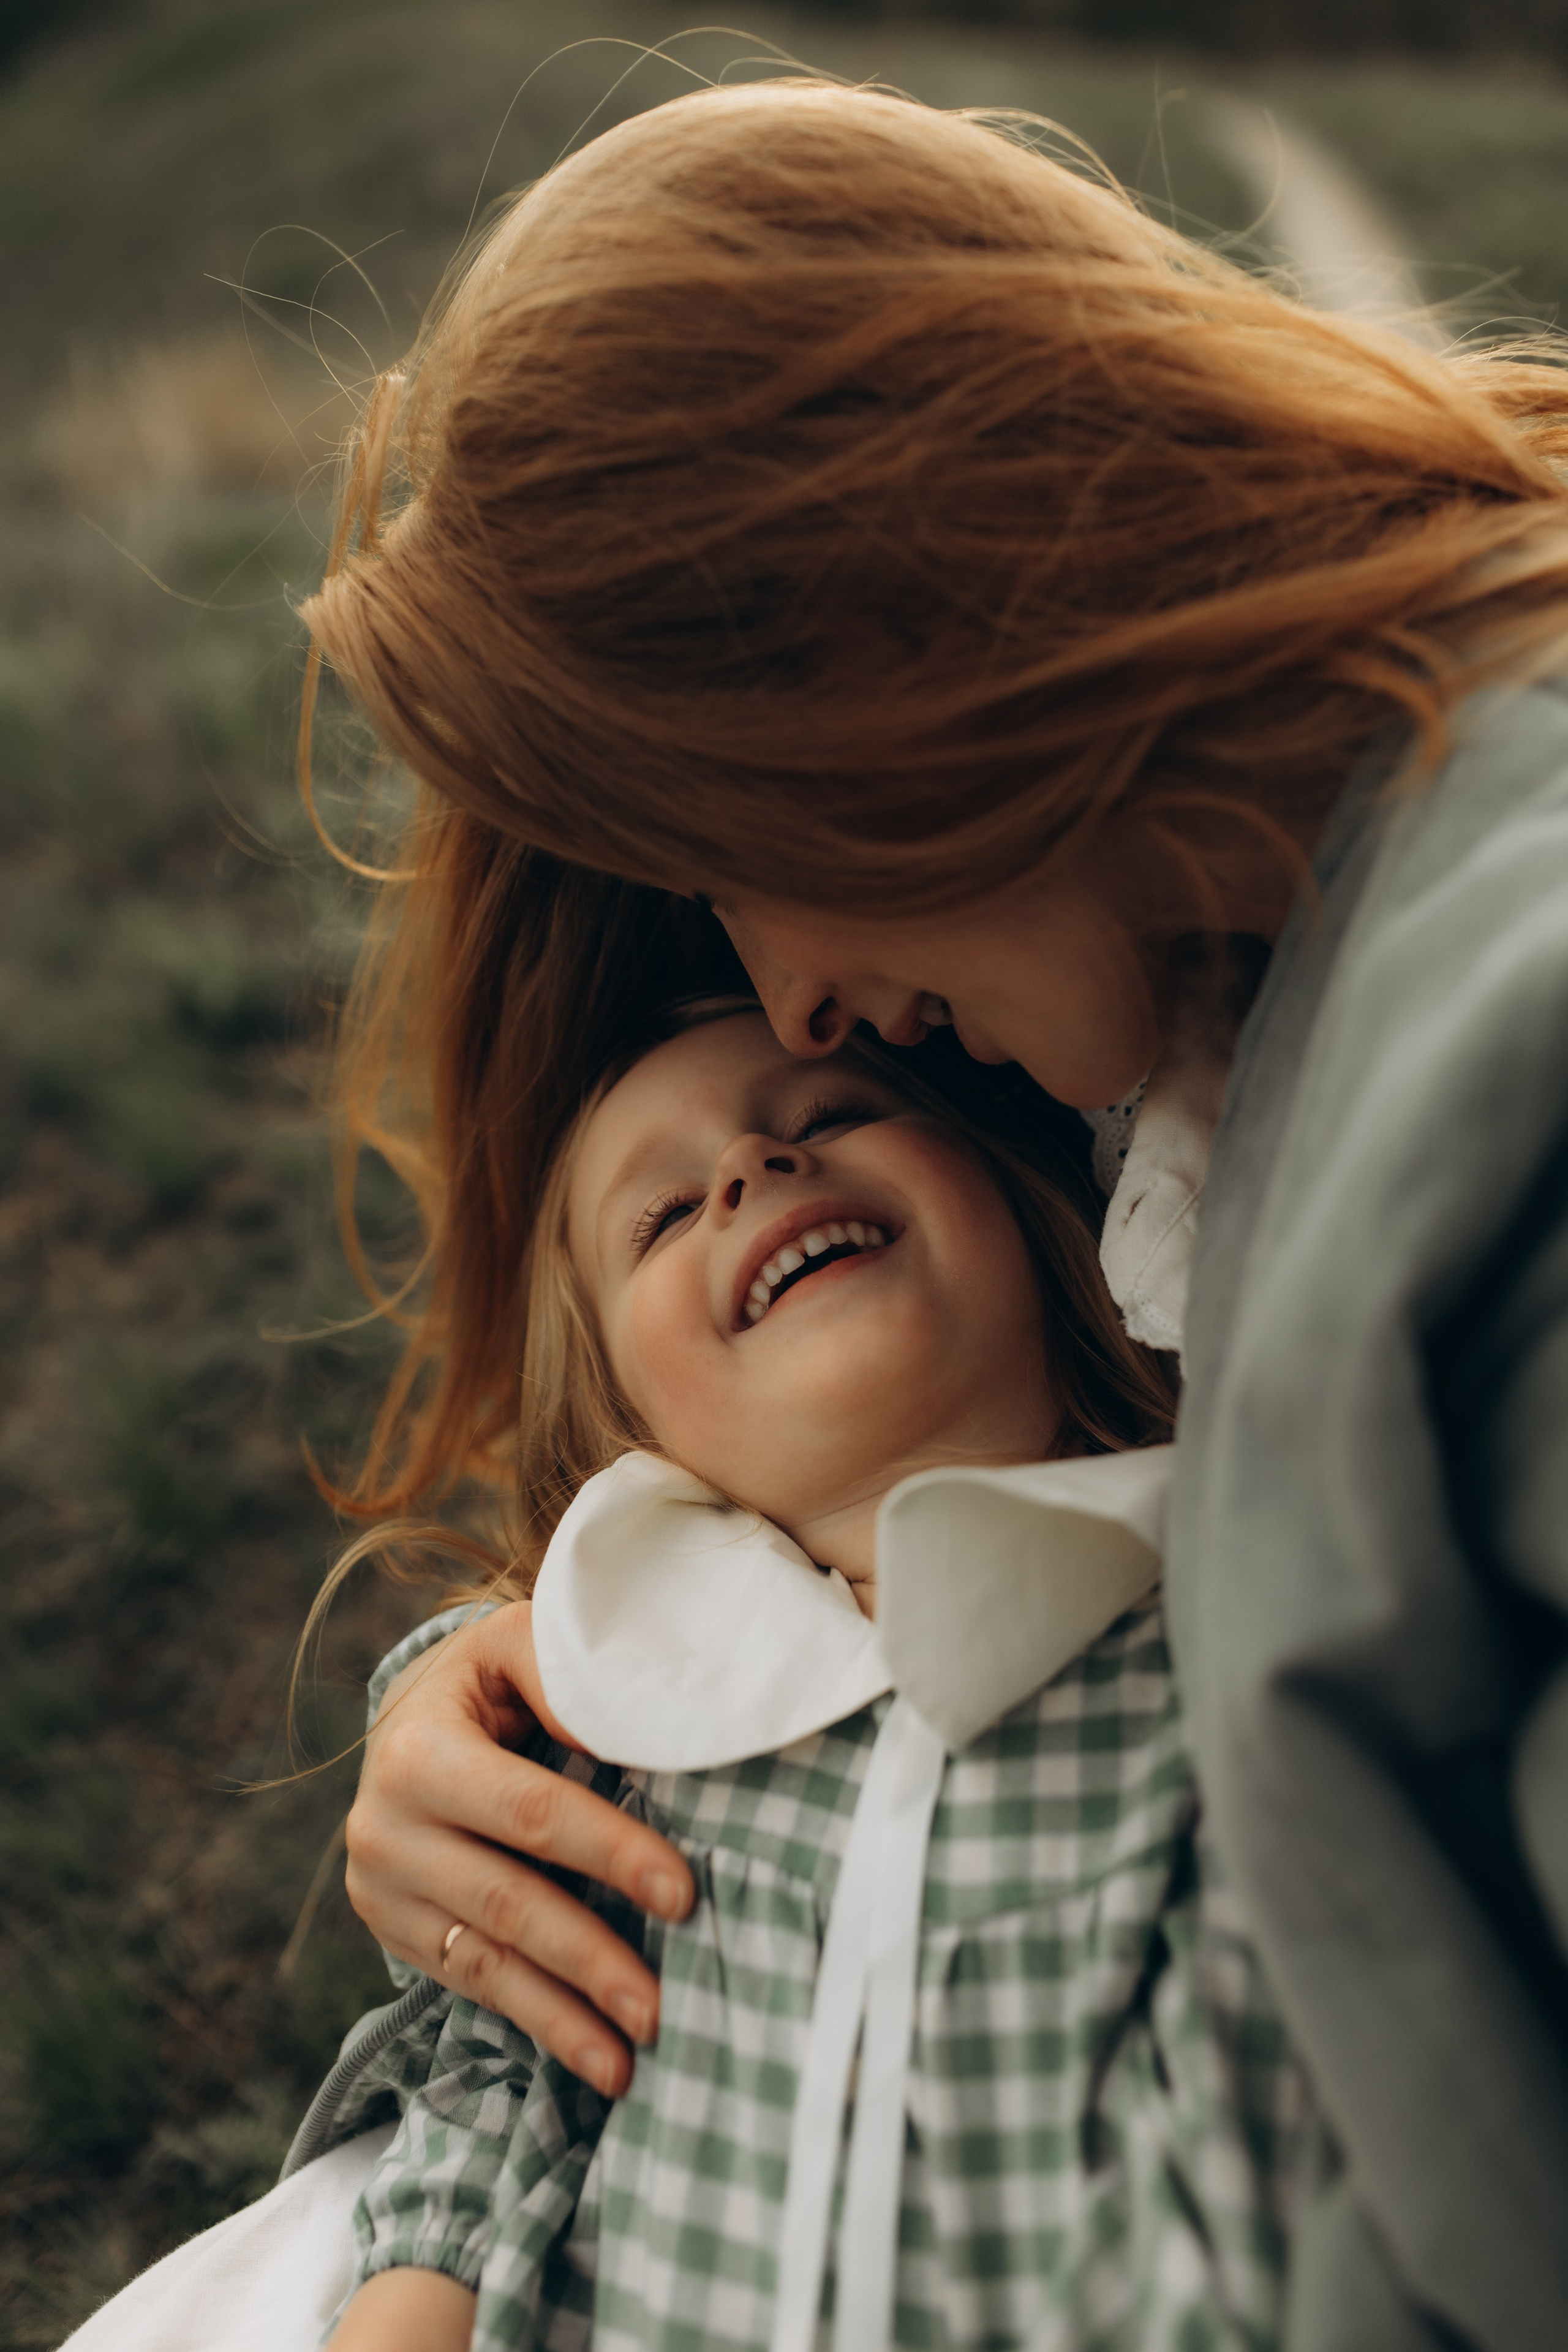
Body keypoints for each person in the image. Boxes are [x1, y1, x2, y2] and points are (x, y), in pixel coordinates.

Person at [303, 76, 1568, 2352]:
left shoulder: (1497, 1058)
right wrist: (495, 1699)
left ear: (897, 636)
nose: (797, 1003)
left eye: (741, 854)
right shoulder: (1202, 1016)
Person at [293, 996, 1307, 2352]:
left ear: (1028, 1203)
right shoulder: (621, 1728)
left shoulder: (1219, 1648)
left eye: (831, 1115)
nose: (750, 1168)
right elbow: (479, 2138)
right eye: (658, 1218)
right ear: (623, 1426)